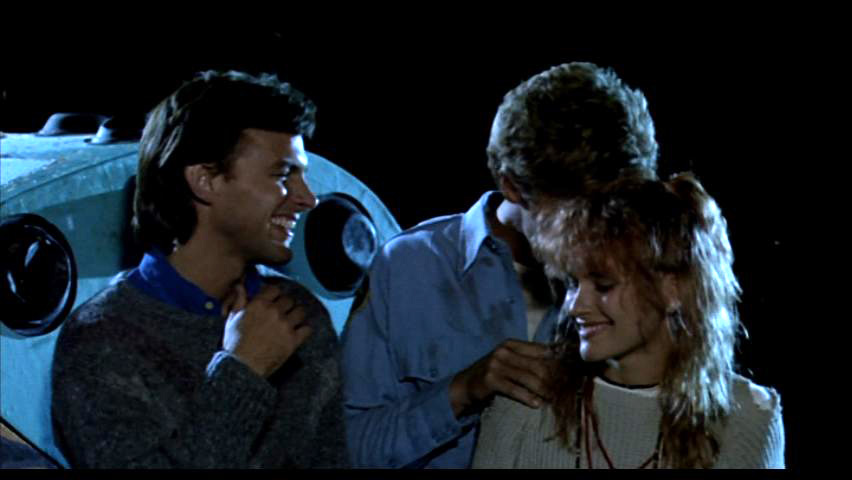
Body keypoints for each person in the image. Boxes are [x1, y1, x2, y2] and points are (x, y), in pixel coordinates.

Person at [340, 62, 659, 468]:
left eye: (612, 209)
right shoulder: (408, 267)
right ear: (512, 186)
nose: (597, 231)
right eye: (575, 212)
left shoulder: (642, 280)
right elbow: (347, 448)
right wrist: (463, 391)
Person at [51, 71, 348, 468]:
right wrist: (243, 370)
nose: (308, 199)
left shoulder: (296, 313)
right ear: (205, 181)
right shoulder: (101, 340)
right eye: (282, 175)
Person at [472, 173, 785, 469]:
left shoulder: (749, 419)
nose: (575, 307)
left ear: (672, 289)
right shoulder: (527, 395)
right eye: (572, 283)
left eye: (603, 285)